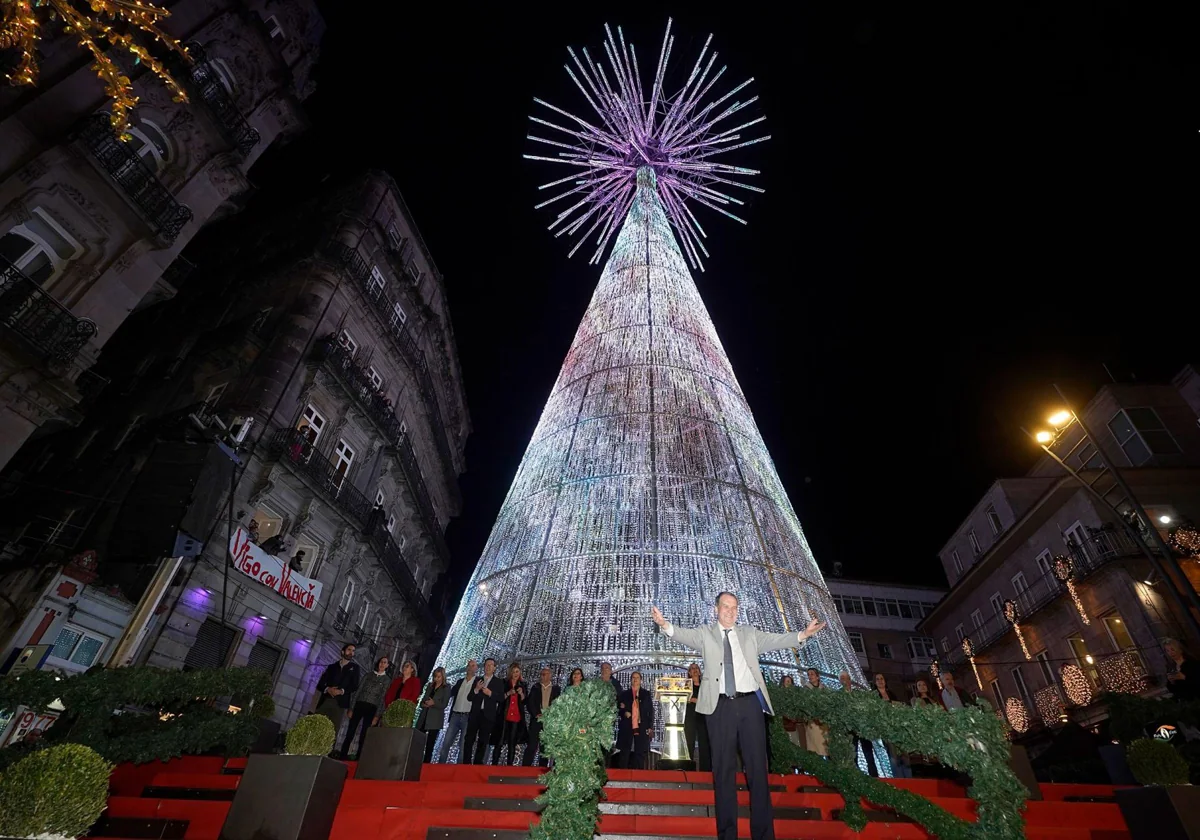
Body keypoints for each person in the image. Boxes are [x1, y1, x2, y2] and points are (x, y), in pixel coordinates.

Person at [652, 593, 826, 840]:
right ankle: (727, 834)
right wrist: (665, 625)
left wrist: (803, 634)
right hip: (719, 708)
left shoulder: (749, 634)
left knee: (757, 770)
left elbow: (777, 640)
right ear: (716, 610)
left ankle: (764, 834)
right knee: (723, 772)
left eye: (734, 608)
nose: (730, 611)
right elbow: (682, 634)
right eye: (726, 607)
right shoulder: (706, 633)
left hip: (749, 707)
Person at [340, 656, 390, 759]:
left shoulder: (386, 680)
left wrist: (377, 715)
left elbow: (383, 698)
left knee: (364, 734)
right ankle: (342, 755)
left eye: (385, 663)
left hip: (372, 707)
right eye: (381, 662)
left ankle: (359, 757)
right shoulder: (368, 675)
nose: (382, 664)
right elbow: (358, 691)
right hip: (359, 704)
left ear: (387, 666)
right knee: (350, 731)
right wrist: (351, 708)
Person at [314, 643, 361, 734]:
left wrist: (341, 691)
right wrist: (328, 689)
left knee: (333, 729)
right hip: (326, 700)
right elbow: (320, 684)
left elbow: (354, 686)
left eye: (353, 651)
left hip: (340, 703)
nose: (351, 652)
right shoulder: (332, 667)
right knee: (317, 725)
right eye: (349, 650)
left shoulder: (355, 668)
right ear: (343, 651)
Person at [465, 657, 504, 764]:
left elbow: (501, 698)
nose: (488, 667)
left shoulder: (498, 682)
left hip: (488, 716)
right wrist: (476, 689)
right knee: (469, 739)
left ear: (494, 668)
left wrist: (490, 694)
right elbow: (469, 697)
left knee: (483, 741)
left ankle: (478, 763)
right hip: (475, 714)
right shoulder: (478, 680)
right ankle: (466, 763)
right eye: (486, 665)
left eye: (491, 665)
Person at [838, 671, 877, 777]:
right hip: (849, 729)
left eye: (846, 678)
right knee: (853, 753)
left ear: (850, 680)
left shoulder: (858, 694)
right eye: (842, 678)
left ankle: (874, 777)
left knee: (868, 753)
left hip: (862, 727)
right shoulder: (839, 695)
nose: (844, 680)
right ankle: (857, 776)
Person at [871, 673, 910, 778]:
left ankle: (909, 777)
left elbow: (898, 706)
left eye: (882, 679)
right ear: (875, 682)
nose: (880, 681)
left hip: (897, 726)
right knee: (893, 754)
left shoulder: (891, 693)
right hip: (886, 727)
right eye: (877, 679)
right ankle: (899, 779)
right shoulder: (874, 695)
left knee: (903, 752)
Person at [440, 659, 478, 763]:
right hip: (455, 716)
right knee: (446, 743)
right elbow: (451, 693)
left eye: (473, 666)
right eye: (469, 666)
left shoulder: (478, 682)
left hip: (467, 717)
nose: (470, 668)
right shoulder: (460, 681)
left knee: (463, 745)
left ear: (476, 668)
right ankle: (440, 766)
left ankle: (459, 770)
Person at [524, 666, 560, 767]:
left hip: (549, 722)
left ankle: (542, 769)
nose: (543, 676)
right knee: (532, 745)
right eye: (542, 674)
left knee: (544, 748)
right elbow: (530, 703)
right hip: (537, 721)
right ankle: (525, 768)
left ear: (550, 675)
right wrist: (536, 714)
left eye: (545, 674)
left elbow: (558, 704)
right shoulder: (535, 688)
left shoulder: (556, 689)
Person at [616, 671, 654, 769]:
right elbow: (619, 709)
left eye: (637, 677)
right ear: (631, 680)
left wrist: (650, 726)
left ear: (641, 680)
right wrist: (624, 711)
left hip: (641, 726)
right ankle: (622, 776)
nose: (635, 679)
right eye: (633, 677)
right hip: (627, 726)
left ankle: (639, 776)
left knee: (640, 752)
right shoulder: (624, 694)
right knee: (625, 752)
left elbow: (650, 711)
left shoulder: (646, 694)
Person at [417, 667, 452, 763]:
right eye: (435, 676)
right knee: (419, 742)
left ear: (443, 677)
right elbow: (423, 699)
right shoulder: (430, 686)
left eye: (439, 677)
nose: (436, 679)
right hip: (424, 716)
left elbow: (444, 704)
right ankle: (415, 761)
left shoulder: (446, 687)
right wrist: (424, 703)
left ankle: (426, 764)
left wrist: (434, 703)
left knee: (430, 744)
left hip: (435, 719)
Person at [497, 663, 528, 765]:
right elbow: (499, 698)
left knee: (512, 742)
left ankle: (509, 765)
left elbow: (524, 702)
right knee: (500, 741)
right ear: (510, 672)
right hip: (504, 716)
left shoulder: (523, 685)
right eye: (514, 672)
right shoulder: (504, 683)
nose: (515, 674)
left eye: (517, 672)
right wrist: (508, 693)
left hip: (516, 717)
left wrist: (521, 694)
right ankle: (494, 763)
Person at [683, 663, 711, 770]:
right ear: (689, 673)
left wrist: (695, 700)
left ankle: (706, 770)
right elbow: (686, 699)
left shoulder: (705, 686)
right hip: (690, 717)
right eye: (692, 669)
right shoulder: (686, 685)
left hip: (703, 717)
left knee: (704, 744)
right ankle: (688, 770)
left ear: (699, 672)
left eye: (696, 668)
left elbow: (707, 700)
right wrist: (696, 700)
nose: (694, 670)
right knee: (689, 742)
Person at [799, 668, 827, 756]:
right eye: (808, 675)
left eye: (812, 674)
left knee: (825, 746)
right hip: (812, 722)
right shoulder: (806, 689)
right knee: (815, 747)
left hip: (823, 722)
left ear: (817, 676)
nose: (810, 676)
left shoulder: (824, 689)